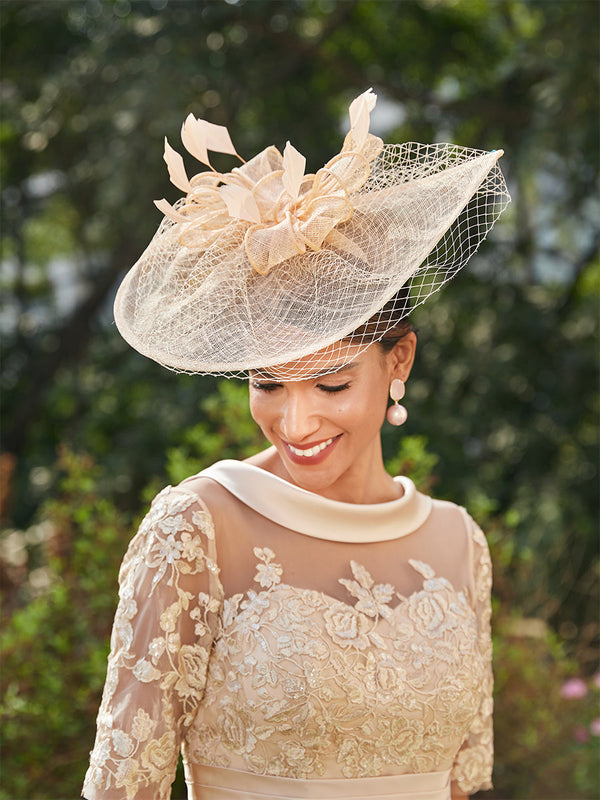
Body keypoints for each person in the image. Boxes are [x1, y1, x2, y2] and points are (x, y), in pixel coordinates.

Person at [82, 90, 510, 800]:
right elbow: (125, 788)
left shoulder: (458, 544)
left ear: (398, 362)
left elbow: (463, 785)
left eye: (331, 386)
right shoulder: (196, 529)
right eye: (268, 385)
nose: (297, 423)